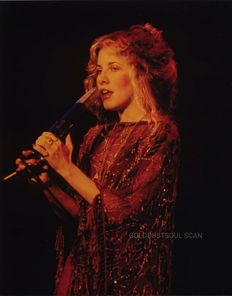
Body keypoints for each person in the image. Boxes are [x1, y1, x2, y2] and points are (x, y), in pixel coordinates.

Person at [16, 22, 180, 296]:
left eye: (113, 68)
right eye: (99, 70)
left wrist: (67, 169)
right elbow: (83, 220)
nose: (100, 79)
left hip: (128, 284)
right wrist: (48, 182)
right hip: (82, 279)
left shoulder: (161, 133)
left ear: (142, 73)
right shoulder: (94, 136)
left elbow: (122, 214)